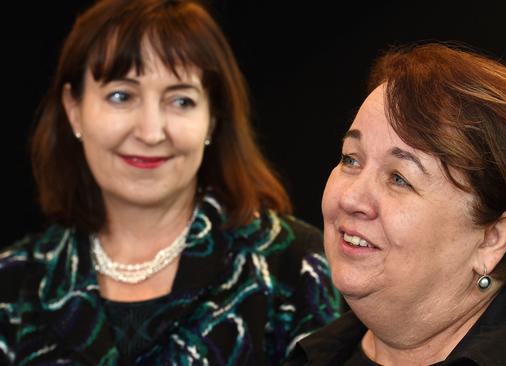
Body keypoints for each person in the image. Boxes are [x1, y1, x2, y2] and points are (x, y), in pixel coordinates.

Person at [0, 0, 340, 364]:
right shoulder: (13, 284)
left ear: (212, 119)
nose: (150, 132)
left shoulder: (294, 267)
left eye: (180, 100)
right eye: (121, 96)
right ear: (74, 110)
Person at [286, 43, 506, 365]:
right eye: (350, 159)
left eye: (399, 178)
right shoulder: (312, 356)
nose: (350, 198)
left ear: (492, 237)